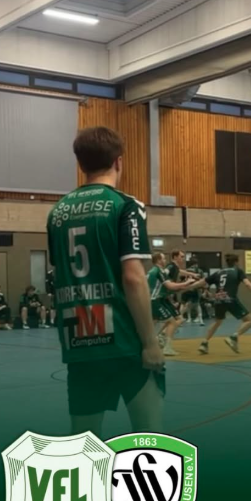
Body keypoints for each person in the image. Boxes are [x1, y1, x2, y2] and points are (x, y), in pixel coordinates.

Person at [47, 126, 165, 434]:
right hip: (124, 340)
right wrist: (150, 343)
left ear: (80, 163)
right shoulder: (125, 206)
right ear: (118, 162)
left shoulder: (57, 212)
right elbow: (134, 278)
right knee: (148, 436)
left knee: (84, 439)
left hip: (80, 340)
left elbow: (60, 274)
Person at [194, 254, 251, 354]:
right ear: (236, 262)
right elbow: (248, 284)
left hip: (218, 300)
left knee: (217, 322)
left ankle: (204, 343)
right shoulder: (238, 271)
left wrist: (187, 287)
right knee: (249, 321)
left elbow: (201, 282)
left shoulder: (218, 272)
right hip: (230, 299)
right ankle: (234, 337)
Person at [147, 252, 191, 357]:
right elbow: (170, 286)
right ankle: (166, 347)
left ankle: (152, 341)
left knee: (154, 323)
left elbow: (169, 287)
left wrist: (184, 285)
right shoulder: (158, 271)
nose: (165, 261)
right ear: (158, 260)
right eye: (163, 259)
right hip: (155, 300)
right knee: (171, 322)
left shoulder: (155, 271)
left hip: (160, 299)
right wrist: (186, 283)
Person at [181, 256, 204, 326]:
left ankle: (188, 318)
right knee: (197, 304)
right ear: (196, 263)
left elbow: (183, 279)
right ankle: (200, 319)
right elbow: (202, 280)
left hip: (187, 288)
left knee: (186, 304)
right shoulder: (199, 270)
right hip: (195, 289)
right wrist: (202, 288)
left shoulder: (186, 270)